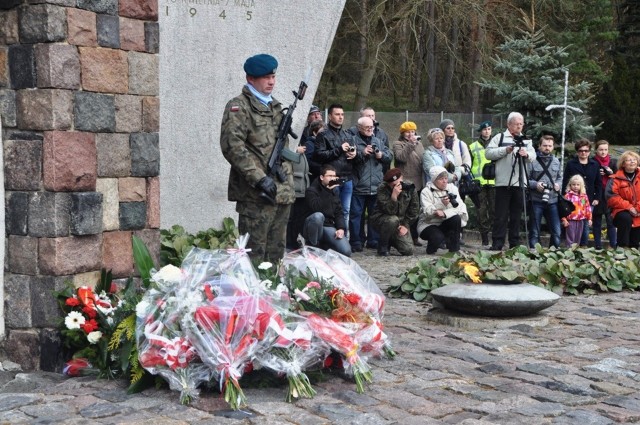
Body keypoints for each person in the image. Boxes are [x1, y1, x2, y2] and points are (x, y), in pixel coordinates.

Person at [220, 53, 294, 262]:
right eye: (265, 77)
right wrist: (259, 178)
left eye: (273, 76)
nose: (271, 81)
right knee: (253, 257)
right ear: (250, 78)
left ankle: (273, 292)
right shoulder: (239, 106)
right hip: (256, 194)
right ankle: (251, 295)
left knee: (276, 254)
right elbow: (232, 146)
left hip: (281, 192)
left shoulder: (277, 107)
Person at [485, 112, 536, 250]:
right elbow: (488, 153)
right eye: (516, 124)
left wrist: (527, 154)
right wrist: (505, 150)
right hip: (503, 183)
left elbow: (533, 156)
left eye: (521, 124)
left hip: (520, 183)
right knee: (501, 215)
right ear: (509, 124)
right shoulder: (500, 137)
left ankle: (514, 243)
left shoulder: (526, 140)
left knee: (516, 215)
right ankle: (497, 243)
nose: (519, 127)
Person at [349, 116, 393, 252]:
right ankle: (357, 241)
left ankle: (373, 240)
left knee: (375, 215)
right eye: (367, 127)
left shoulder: (378, 141)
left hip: (376, 185)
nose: (370, 130)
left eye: (371, 127)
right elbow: (349, 160)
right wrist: (362, 153)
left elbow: (389, 156)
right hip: (359, 185)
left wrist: (381, 156)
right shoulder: (353, 141)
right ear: (359, 128)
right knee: (356, 215)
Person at [313, 103, 357, 231]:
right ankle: (330, 239)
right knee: (330, 210)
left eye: (342, 114)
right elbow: (318, 155)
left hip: (347, 178)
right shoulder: (323, 135)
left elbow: (356, 155)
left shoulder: (347, 134)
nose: (340, 117)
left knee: (346, 211)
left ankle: (344, 238)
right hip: (332, 178)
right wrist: (338, 150)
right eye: (337, 114)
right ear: (330, 116)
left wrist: (355, 154)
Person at [302, 165, 352, 257]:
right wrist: (327, 191)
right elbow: (316, 208)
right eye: (329, 176)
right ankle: (312, 246)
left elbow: (339, 212)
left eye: (334, 176)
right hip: (312, 225)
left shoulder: (334, 191)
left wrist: (341, 228)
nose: (332, 178)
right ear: (322, 177)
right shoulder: (311, 191)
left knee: (346, 251)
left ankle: (325, 245)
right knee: (318, 216)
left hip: (328, 225)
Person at [417, 165, 469, 254]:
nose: (444, 181)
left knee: (456, 218)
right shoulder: (426, 191)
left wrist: (445, 214)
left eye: (446, 178)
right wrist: (441, 204)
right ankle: (431, 247)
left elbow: (460, 207)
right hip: (428, 224)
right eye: (441, 179)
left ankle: (454, 249)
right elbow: (428, 211)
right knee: (437, 237)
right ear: (434, 180)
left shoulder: (452, 188)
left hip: (445, 221)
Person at [370, 168, 420, 256]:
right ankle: (383, 246)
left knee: (408, 250)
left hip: (401, 222)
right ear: (388, 183)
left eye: (399, 183)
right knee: (393, 220)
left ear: (402, 178)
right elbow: (389, 211)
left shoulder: (410, 187)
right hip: (382, 220)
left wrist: (405, 225)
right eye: (393, 185)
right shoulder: (382, 188)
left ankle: (392, 239)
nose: (397, 186)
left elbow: (414, 210)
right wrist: (394, 197)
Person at [562, 139, 602, 247]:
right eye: (580, 151)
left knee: (585, 224)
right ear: (577, 151)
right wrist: (564, 198)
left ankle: (583, 245)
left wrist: (597, 198)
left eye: (586, 150)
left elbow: (598, 183)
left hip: (588, 199)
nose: (583, 153)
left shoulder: (595, 164)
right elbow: (565, 180)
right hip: (572, 200)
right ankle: (572, 245)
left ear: (589, 151)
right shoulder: (571, 164)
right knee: (573, 225)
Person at [526, 134, 563, 248]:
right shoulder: (532, 161)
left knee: (557, 232)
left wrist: (558, 185)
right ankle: (534, 253)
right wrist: (535, 184)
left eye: (550, 146)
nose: (547, 148)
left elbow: (560, 177)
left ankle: (553, 253)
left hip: (553, 201)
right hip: (536, 200)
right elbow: (525, 179)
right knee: (534, 232)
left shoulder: (556, 161)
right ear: (539, 146)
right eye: (545, 145)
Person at [393, 121, 425, 246]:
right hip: (405, 182)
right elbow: (401, 157)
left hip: (418, 181)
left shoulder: (420, 144)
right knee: (403, 211)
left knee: (415, 211)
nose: (411, 134)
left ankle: (415, 237)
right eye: (408, 132)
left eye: (412, 131)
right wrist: (410, 144)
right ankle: (402, 237)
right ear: (402, 133)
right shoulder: (397, 144)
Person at [468, 120, 495, 247]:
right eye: (484, 129)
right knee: (481, 210)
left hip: (495, 182)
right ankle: (484, 237)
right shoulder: (473, 146)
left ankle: (495, 236)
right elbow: (469, 164)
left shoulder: (496, 144)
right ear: (481, 131)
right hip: (479, 183)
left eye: (489, 129)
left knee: (495, 210)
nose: (487, 131)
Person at [606, 151, 640, 248]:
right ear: (623, 163)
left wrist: (637, 209)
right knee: (626, 218)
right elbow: (611, 197)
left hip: (638, 211)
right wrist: (629, 208)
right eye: (629, 160)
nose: (632, 162)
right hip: (620, 210)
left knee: (634, 242)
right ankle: (621, 249)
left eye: (634, 160)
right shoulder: (614, 179)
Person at [285, 139, 310, 250]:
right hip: (294, 187)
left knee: (297, 218)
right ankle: (289, 242)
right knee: (290, 218)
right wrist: (295, 150)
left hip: (302, 187)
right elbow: (284, 154)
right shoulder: (291, 146)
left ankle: (294, 240)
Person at [592, 140, 618, 249]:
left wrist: (611, 173)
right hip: (597, 194)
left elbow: (618, 178)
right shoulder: (592, 162)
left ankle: (614, 245)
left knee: (611, 221)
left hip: (610, 194)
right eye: (601, 150)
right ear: (596, 150)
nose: (603, 152)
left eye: (605, 150)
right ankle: (597, 245)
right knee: (596, 221)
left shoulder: (613, 162)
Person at [562, 175, 592, 246]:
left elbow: (587, 207)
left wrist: (589, 218)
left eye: (578, 185)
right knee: (570, 237)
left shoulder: (584, 196)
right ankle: (568, 252)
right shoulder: (568, 196)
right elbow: (563, 209)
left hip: (580, 220)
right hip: (570, 220)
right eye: (574, 184)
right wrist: (564, 219)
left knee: (578, 237)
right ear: (570, 185)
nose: (575, 186)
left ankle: (575, 252)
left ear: (581, 185)